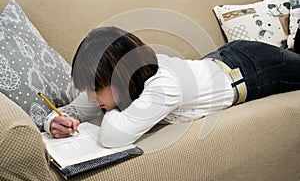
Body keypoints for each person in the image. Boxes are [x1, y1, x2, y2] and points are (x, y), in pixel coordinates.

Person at [44, 26, 300, 148]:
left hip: (252, 68)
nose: (89, 97)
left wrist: (109, 110)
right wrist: (52, 123)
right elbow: (67, 111)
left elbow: (113, 138)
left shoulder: (163, 87)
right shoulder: (120, 87)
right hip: (219, 57)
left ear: (119, 78)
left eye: (94, 89)